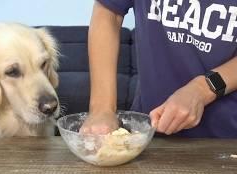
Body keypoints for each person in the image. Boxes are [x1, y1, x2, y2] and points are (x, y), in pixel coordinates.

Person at [80, 0, 237, 138]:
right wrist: (101, 108)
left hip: (227, 136)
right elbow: (109, 13)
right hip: (147, 132)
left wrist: (202, 89)